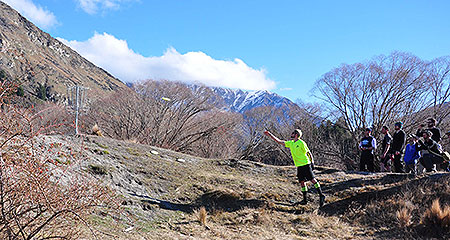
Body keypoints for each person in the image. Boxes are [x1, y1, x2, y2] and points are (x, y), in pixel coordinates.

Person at [264, 129, 325, 207]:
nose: (291, 134)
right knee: (302, 182)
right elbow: (279, 141)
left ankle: (321, 195)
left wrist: (312, 163)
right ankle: (305, 200)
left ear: (296, 134)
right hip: (299, 166)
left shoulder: (301, 143)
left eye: (293, 133)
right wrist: (270, 134)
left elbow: (308, 153)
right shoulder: (291, 143)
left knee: (312, 180)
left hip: (306, 164)